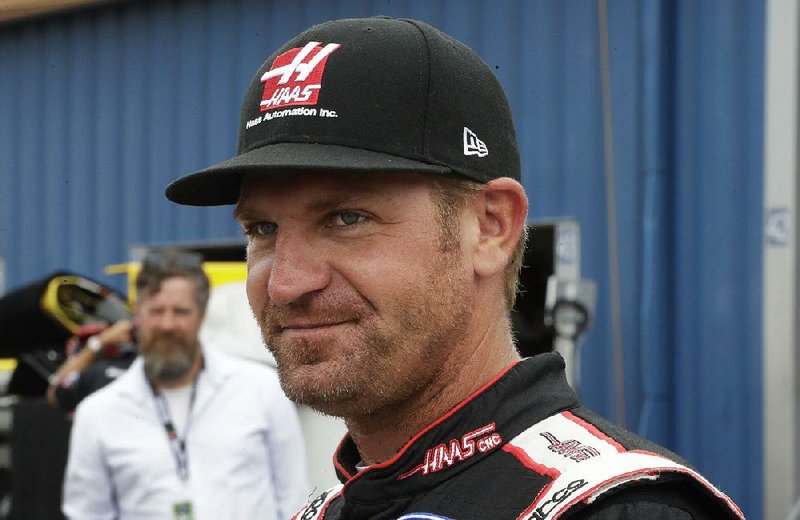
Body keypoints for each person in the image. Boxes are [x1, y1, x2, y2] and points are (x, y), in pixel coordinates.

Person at [165, 16, 744, 520]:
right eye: (262, 230)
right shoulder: (336, 508)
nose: (287, 282)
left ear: (490, 227)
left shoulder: (616, 510)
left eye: (346, 218)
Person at [62, 249, 309, 519]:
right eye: (156, 311)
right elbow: (86, 514)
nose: (168, 325)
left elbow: (294, 501)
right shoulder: (97, 414)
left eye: (180, 311)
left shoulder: (262, 390)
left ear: (201, 315)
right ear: (138, 316)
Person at [46, 320, 137, 414]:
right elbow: (55, 393)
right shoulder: (94, 374)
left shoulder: (108, 371)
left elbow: (54, 391)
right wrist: (100, 342)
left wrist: (99, 342)